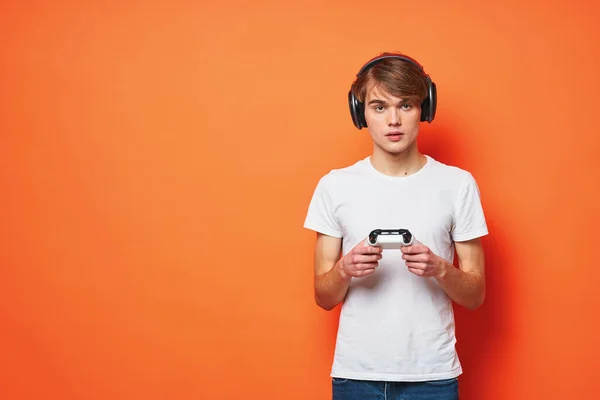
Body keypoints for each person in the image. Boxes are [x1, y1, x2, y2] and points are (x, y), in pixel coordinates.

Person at [303, 52, 488, 400]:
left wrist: (440, 269)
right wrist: (344, 270)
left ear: (425, 109)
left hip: (433, 375)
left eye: (405, 105)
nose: (393, 120)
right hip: (356, 374)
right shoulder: (334, 186)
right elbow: (323, 297)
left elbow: (476, 295)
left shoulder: (458, 184)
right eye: (378, 106)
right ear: (360, 113)